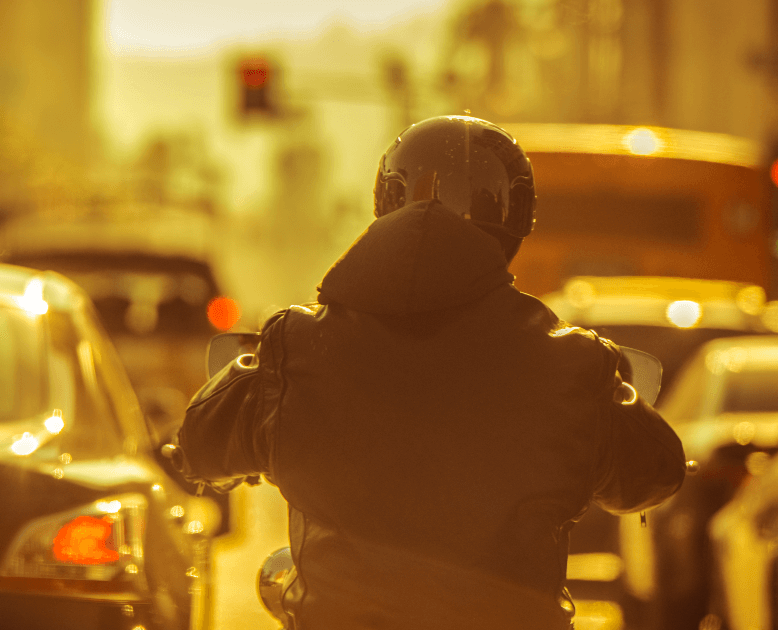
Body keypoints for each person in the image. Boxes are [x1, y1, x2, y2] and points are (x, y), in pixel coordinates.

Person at [173, 115, 686, 630]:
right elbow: (654, 474)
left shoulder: (298, 346)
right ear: (515, 221)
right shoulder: (572, 362)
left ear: (385, 203)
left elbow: (199, 444)